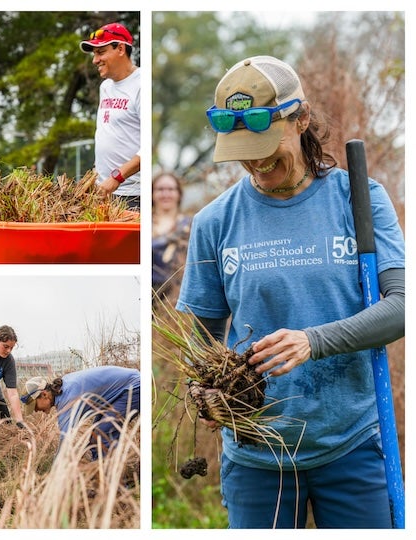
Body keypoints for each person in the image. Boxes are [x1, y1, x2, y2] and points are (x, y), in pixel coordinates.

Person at [175, 55, 404, 528]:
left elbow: (402, 309)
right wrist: (206, 387)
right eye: (241, 147)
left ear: (300, 119)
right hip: (258, 459)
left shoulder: (357, 198)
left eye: (263, 142)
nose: (255, 161)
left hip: (351, 443)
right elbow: (202, 335)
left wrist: (312, 341)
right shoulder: (214, 222)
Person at [80, 23, 140, 210]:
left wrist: (117, 177)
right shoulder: (105, 87)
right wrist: (95, 176)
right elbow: (108, 133)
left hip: (133, 195)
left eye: (101, 52)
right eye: (94, 54)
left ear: (120, 48)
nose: (95, 60)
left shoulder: (141, 85)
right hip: (104, 191)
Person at [21, 365, 140, 459]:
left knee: (103, 435)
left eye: (34, 406)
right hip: (119, 392)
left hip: (133, 387)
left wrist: (53, 477)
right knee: (96, 438)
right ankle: (98, 478)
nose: (36, 410)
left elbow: (65, 442)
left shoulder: (68, 398)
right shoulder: (64, 390)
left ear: (44, 394)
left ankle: (114, 485)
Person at [152, 171, 192, 302]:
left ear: (179, 194)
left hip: (176, 296)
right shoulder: (142, 223)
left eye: (170, 189)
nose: (165, 194)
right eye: (160, 189)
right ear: (152, 193)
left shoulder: (190, 225)